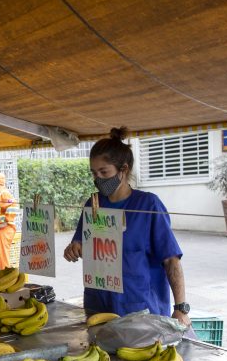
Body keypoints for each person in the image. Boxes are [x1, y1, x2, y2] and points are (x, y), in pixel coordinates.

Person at [64, 127, 191, 326]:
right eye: (94, 173)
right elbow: (81, 242)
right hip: (98, 306)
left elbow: (171, 260)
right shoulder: (93, 204)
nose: (98, 179)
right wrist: (74, 248)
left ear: (123, 170)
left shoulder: (149, 205)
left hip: (140, 310)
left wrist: (181, 308)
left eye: (104, 172)